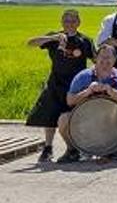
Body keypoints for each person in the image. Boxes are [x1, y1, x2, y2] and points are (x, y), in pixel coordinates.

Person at [24, 9, 95, 163]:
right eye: (66, 21)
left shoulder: (85, 41)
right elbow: (30, 43)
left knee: (75, 117)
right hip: (55, 83)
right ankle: (48, 148)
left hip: (76, 86)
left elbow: (97, 60)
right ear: (62, 22)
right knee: (50, 116)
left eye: (72, 21)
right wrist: (53, 37)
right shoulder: (53, 38)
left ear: (78, 23)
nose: (69, 24)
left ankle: (77, 148)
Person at [57, 45, 117, 163]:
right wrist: (88, 91)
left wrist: (111, 91)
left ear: (115, 60)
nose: (105, 61)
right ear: (96, 58)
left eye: (109, 58)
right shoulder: (83, 76)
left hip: (111, 122)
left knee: (115, 151)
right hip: (87, 120)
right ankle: (72, 150)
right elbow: (69, 100)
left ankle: (114, 146)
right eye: (102, 57)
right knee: (63, 120)